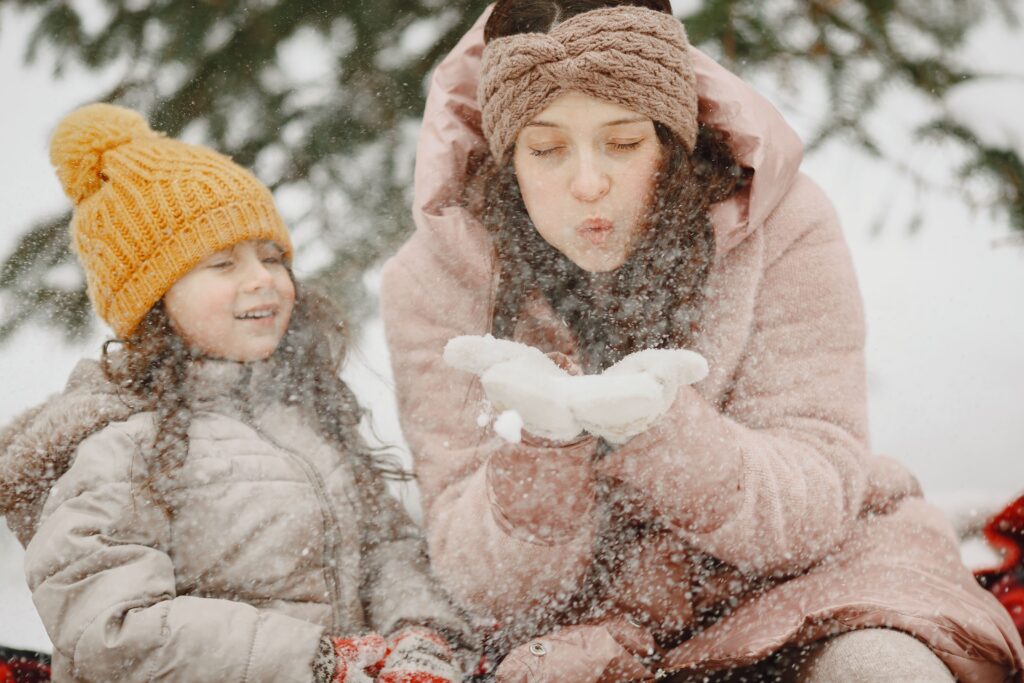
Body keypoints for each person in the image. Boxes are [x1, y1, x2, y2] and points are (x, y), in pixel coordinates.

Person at [379, 1, 1024, 681]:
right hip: (598, 631)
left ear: (671, 139)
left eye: (624, 143)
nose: (589, 182)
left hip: (825, 580)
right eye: (546, 150)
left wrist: (662, 432)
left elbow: (814, 503)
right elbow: (487, 582)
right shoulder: (432, 283)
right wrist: (544, 450)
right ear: (507, 159)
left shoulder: (783, 218)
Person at [0, 103, 476, 683]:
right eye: (222, 263)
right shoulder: (120, 445)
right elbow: (115, 630)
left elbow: (385, 550)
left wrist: (420, 639)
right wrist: (318, 661)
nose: (262, 279)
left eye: (272, 257)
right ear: (152, 300)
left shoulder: (306, 418)